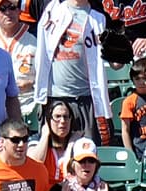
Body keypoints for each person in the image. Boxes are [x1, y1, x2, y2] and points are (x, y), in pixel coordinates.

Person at [32, 0, 112, 145]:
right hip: (55, 97)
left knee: (87, 155)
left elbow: (114, 62)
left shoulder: (100, 17)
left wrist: (121, 54)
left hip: (86, 100)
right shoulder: (51, 11)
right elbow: (42, 54)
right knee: (54, 155)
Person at [0, 3, 34, 117]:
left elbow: (49, 74)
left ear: (19, 11)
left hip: (29, 106)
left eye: (12, 8)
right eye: (3, 9)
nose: (8, 13)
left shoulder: (35, 38)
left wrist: (33, 83)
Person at [29, 98, 81, 179]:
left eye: (66, 117)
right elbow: (34, 163)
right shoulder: (37, 139)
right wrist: (45, 135)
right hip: (44, 190)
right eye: (57, 117)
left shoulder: (79, 141)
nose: (63, 121)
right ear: (48, 120)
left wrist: (71, 144)